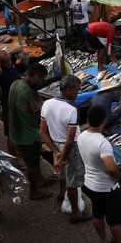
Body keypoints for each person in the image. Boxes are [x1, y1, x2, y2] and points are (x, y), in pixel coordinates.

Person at [78, 104, 121, 243]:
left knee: (97, 213)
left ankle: (104, 240)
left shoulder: (82, 135)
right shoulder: (102, 143)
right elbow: (111, 168)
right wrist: (116, 177)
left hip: (90, 183)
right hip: (106, 187)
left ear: (87, 120)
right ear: (104, 121)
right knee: (115, 220)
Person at [40, 75, 89, 222]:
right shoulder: (71, 110)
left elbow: (42, 132)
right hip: (70, 148)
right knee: (73, 182)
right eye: (76, 90)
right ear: (68, 90)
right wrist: (64, 156)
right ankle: (76, 213)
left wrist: (56, 153)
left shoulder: (47, 103)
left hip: (55, 145)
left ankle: (62, 194)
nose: (78, 93)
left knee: (60, 172)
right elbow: (69, 140)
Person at [8, 62, 49, 200]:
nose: (41, 82)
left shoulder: (16, 84)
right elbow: (40, 111)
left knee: (34, 160)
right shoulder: (28, 93)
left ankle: (41, 179)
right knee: (31, 163)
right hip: (28, 136)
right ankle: (34, 191)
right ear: (36, 76)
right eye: (41, 79)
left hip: (15, 130)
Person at [0, 50, 23, 154]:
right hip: (9, 106)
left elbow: (19, 47)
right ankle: (15, 157)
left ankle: (20, 152)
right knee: (11, 134)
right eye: (6, 62)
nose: (9, 63)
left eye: (9, 60)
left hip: (20, 104)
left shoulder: (11, 66)